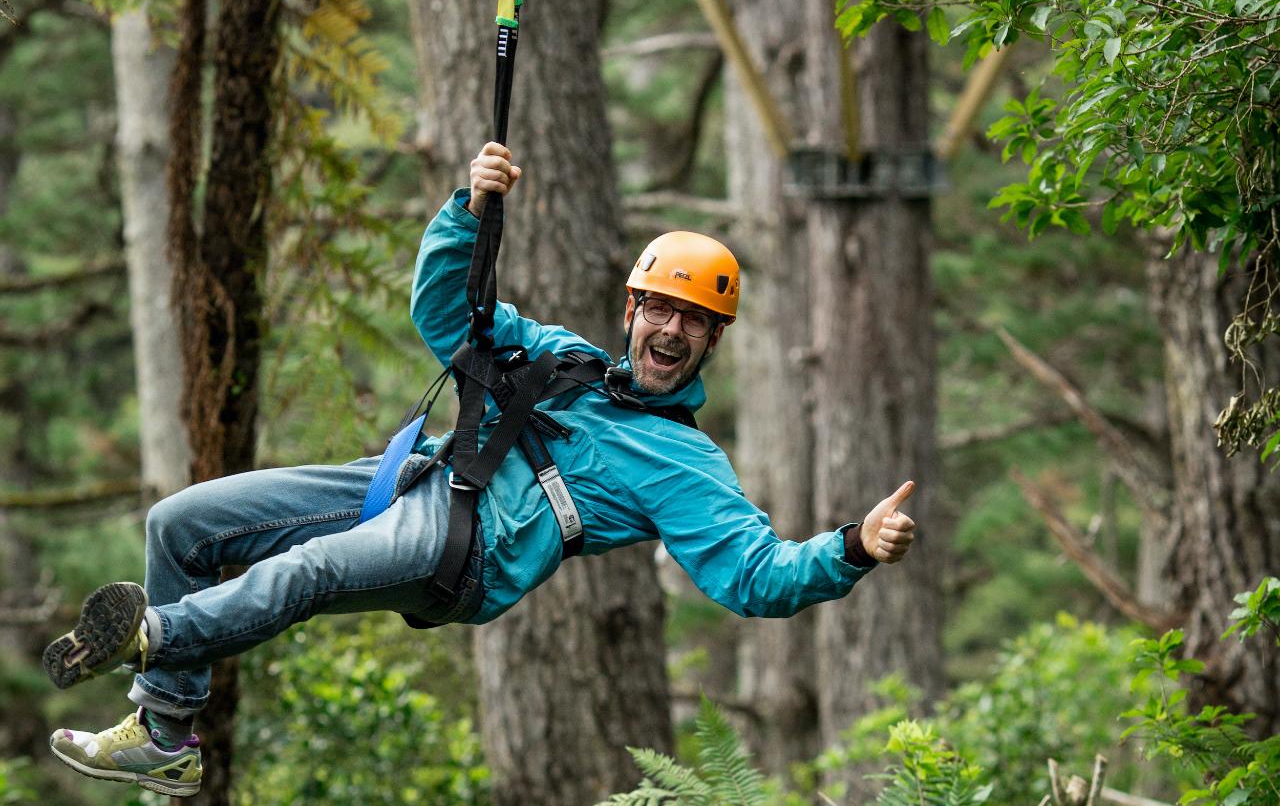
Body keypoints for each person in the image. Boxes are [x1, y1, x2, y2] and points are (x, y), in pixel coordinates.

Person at [42, 142, 918, 798]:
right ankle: (164, 728)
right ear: (631, 308)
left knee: (302, 571)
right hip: (412, 482)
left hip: (467, 554)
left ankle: (155, 636)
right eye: (659, 306)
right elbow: (446, 311)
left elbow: (756, 577)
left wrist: (853, 547)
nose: (670, 329)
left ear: (713, 339)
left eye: (691, 320)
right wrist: (467, 209)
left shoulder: (686, 464)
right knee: (182, 523)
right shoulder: (564, 356)